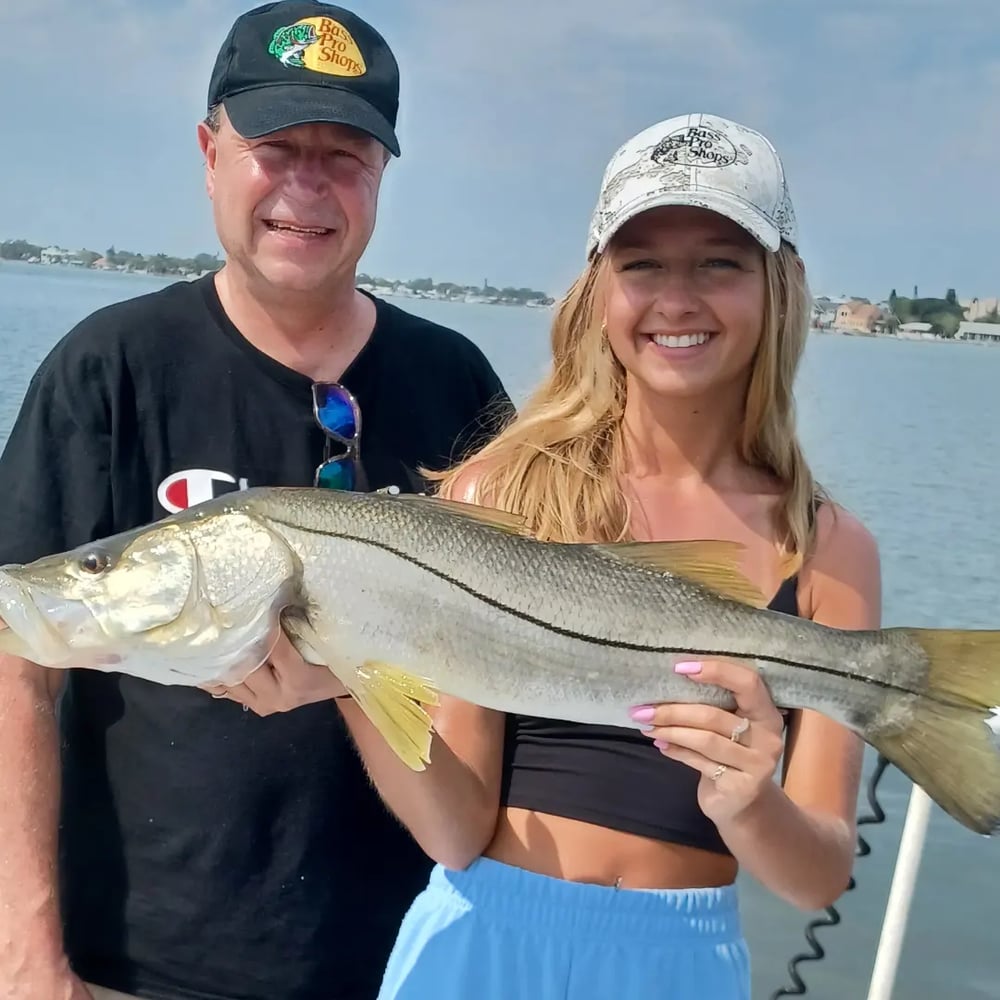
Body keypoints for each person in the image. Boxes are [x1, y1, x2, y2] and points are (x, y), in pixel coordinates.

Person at [224, 112, 878, 998]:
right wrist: (345, 674)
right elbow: (456, 832)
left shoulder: (830, 547)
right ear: (596, 290)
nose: (676, 299)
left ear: (782, 285)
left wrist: (749, 802)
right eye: (640, 264)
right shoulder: (500, 494)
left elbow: (819, 875)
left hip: (680, 962)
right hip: (476, 943)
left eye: (719, 263)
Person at [0, 3, 511, 999]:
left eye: (346, 153)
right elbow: (18, 662)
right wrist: (27, 953)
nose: (306, 186)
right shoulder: (109, 368)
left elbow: (505, 661)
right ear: (209, 153)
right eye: (276, 147)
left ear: (382, 177)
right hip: (135, 962)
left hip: (408, 962)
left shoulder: (456, 384)